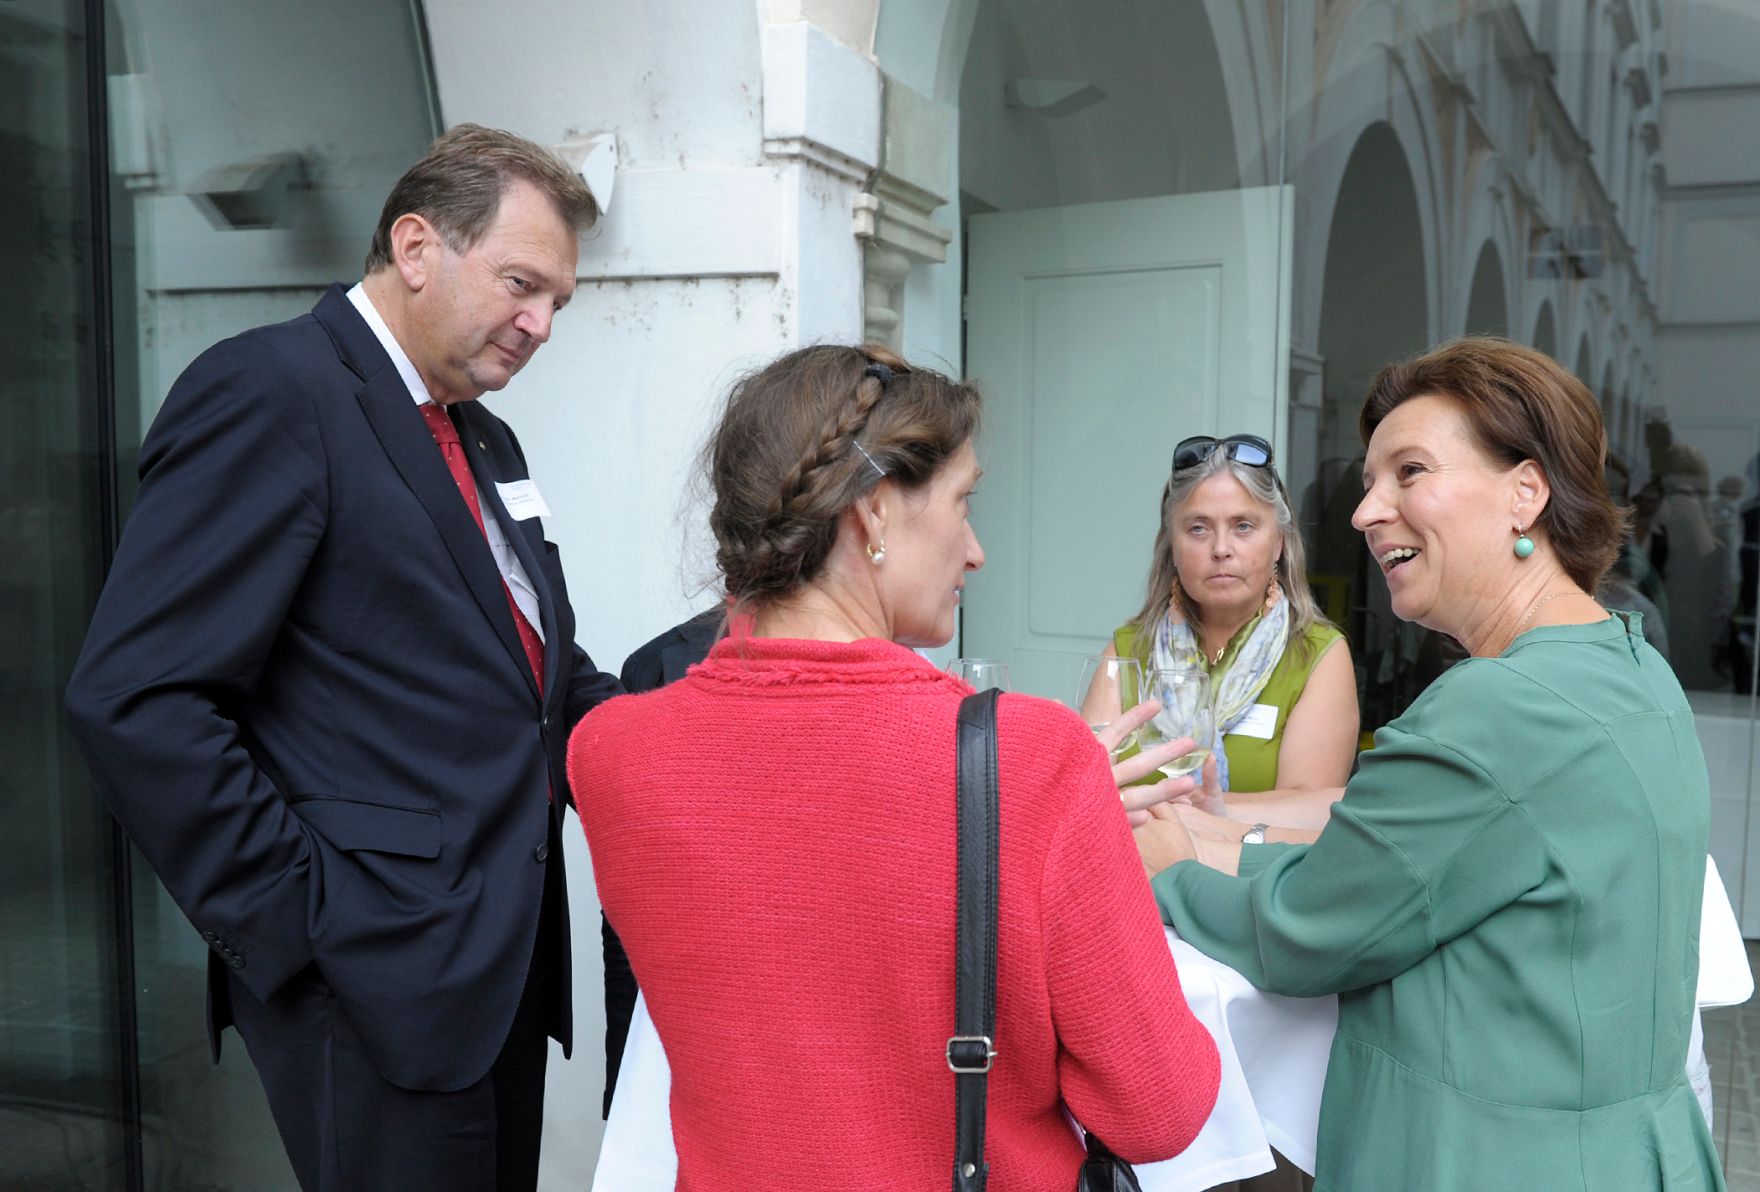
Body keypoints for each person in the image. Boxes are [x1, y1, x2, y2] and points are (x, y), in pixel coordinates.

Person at [63, 125, 622, 1191]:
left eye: (558, 301)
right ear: (416, 247)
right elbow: (136, 697)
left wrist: (701, 729)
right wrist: (306, 924)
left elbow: (534, 675)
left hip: (495, 967)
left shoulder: (484, 435)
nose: (541, 324)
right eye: (521, 284)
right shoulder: (271, 391)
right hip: (370, 975)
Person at [568, 345, 1220, 1189]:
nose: (976, 550)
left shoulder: (610, 753)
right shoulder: (1037, 761)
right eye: (963, 502)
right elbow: (1159, 1108)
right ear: (873, 512)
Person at [1137, 338, 1724, 1190]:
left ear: (1526, 492)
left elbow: (1308, 933)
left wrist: (1172, 870)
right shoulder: (1630, 666)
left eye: (1408, 471)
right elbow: (1402, 873)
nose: (1366, 511)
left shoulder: (1497, 706)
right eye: (1373, 481)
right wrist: (1227, 844)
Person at [1085, 433, 1358, 833]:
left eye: (1243, 526)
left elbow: (1312, 812)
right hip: (1139, 883)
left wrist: (1212, 810)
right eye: (1198, 528)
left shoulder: (1317, 656)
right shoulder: (1129, 652)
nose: (1221, 548)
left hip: (1248, 884)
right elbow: (1086, 794)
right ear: (1172, 547)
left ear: (1279, 542)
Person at [601, 605, 721, 1117]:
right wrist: (626, 1097)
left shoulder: (897, 671)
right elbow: (625, 913)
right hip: (682, 1047)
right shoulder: (654, 664)